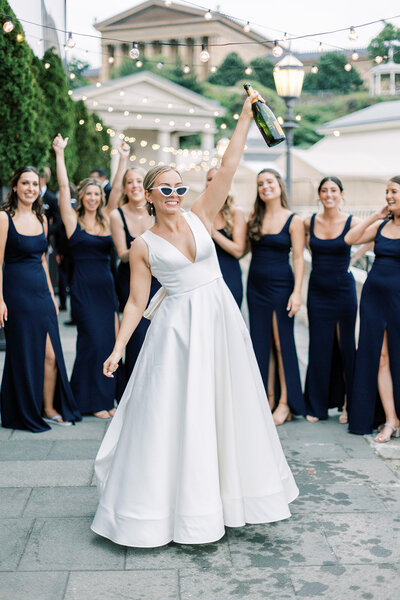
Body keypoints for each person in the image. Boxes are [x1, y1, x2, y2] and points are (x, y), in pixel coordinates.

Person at [91, 90, 298, 548]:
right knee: (177, 415)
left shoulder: (202, 216)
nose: (174, 195)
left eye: (179, 187)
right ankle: (170, 510)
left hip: (220, 324)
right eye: (165, 189)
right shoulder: (142, 246)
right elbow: (134, 302)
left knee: (226, 407)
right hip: (177, 334)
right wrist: (120, 345)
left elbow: (226, 167)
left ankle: (228, 501)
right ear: (148, 195)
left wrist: (245, 117)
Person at [0, 166, 81, 432]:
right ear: (15, 187)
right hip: (15, 294)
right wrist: (0, 300)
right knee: (23, 353)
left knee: (51, 355)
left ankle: (48, 408)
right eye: (25, 183)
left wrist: (52, 295)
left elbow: (44, 262)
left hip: (41, 293)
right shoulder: (4, 218)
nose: (30, 189)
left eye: (34, 184)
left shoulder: (42, 219)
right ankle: (24, 410)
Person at [53, 135, 120, 419]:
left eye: (96, 194)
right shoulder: (72, 220)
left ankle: (105, 399)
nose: (93, 198)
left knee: (108, 342)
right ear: (82, 197)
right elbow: (64, 186)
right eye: (88, 194)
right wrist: (59, 153)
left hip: (106, 288)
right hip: (82, 287)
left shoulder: (107, 218)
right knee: (91, 340)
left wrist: (124, 158)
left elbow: (117, 189)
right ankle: (87, 401)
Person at [246, 169, 305, 426]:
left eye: (269, 182)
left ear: (279, 185)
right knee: (261, 342)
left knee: (282, 343)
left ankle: (285, 403)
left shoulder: (294, 220)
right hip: (255, 285)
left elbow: (299, 257)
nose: (265, 187)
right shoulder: (253, 216)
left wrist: (297, 292)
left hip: (282, 285)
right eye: (260, 184)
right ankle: (266, 398)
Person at [345, 176, 400, 442]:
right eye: (387, 191)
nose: (389, 196)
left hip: (398, 300)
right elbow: (350, 239)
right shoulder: (381, 226)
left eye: (394, 191)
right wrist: (374, 216)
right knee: (380, 358)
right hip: (374, 298)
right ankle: (390, 419)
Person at [303, 177, 360, 424]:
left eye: (333, 190)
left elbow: (370, 237)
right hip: (317, 291)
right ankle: (317, 406)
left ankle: (349, 403)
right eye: (324, 190)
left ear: (341, 194)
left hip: (343, 291)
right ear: (319, 195)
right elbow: (305, 246)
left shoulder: (352, 221)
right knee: (318, 345)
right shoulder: (309, 221)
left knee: (345, 345)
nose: (329, 194)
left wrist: (354, 260)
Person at [109, 145, 160, 386]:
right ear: (125, 187)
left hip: (159, 278)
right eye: (130, 182)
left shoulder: (158, 211)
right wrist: (144, 248)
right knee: (137, 333)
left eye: (140, 181)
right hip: (130, 278)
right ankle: (132, 387)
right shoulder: (117, 215)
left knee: (159, 333)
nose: (135, 185)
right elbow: (122, 254)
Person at [206, 168, 246, 307]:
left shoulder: (236, 213)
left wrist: (214, 233)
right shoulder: (200, 212)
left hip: (229, 275)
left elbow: (238, 251)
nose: (213, 182)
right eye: (209, 179)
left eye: (217, 178)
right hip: (205, 278)